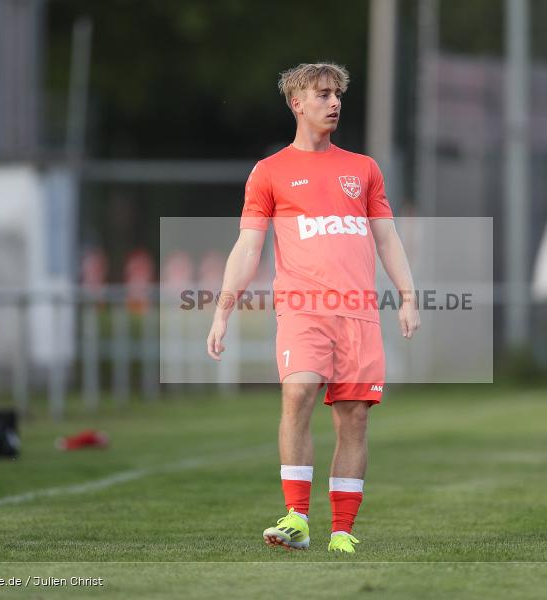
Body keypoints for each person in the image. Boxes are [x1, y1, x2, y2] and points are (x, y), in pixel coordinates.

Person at [206, 63, 420, 554]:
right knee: (298, 392)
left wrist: (407, 296)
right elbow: (246, 248)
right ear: (296, 104)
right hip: (302, 308)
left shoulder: (364, 169)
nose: (334, 103)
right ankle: (297, 519)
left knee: (353, 419)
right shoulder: (269, 172)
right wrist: (222, 310)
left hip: (360, 314)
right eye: (322, 95)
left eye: (337, 94)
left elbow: (386, 238)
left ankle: (342, 531)